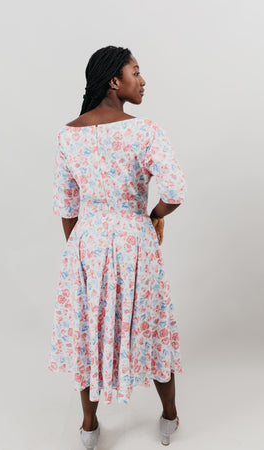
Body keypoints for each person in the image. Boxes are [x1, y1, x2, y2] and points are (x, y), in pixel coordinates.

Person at [47, 45, 187, 448]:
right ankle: (169, 417)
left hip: (85, 244)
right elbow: (175, 191)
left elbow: (66, 207)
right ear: (114, 81)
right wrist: (153, 215)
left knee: (90, 328)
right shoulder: (144, 130)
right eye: (136, 72)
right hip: (133, 240)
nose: (142, 81)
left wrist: (79, 253)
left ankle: (89, 428)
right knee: (154, 325)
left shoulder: (67, 135)